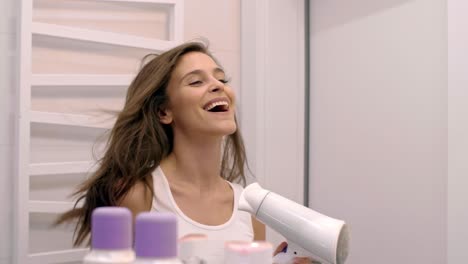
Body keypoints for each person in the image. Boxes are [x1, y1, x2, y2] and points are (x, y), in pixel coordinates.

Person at [56, 41, 311, 263]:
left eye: (221, 79)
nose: (218, 86)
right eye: (196, 81)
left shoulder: (249, 209)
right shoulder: (139, 195)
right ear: (164, 112)